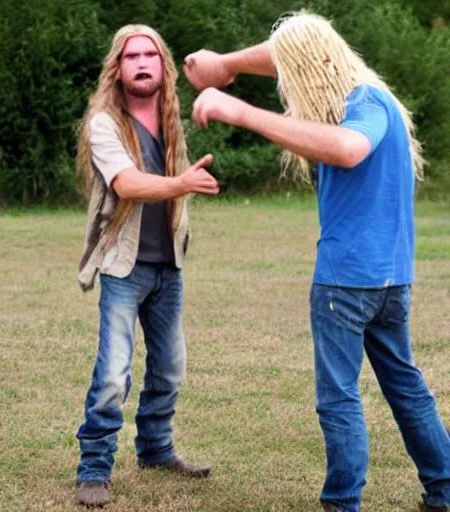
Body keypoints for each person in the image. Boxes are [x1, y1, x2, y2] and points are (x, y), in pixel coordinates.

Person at [184, 11, 450, 512]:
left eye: (293, 76)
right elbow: (293, 51)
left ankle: (342, 502)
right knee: (407, 388)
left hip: (346, 284)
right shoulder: (374, 98)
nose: (288, 87)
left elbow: (348, 150)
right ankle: (445, 490)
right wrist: (225, 64)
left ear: (319, 64)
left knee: (338, 400)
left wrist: (237, 110)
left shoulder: (364, 103)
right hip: (391, 282)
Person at [75, 24, 218, 508]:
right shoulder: (104, 123)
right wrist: (182, 184)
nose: (141, 62)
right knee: (114, 373)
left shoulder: (171, 118)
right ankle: (94, 467)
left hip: (168, 266)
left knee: (170, 367)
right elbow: (130, 184)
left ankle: (156, 450)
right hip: (124, 265)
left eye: (150, 55)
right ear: (117, 67)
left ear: (163, 66)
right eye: (131, 55)